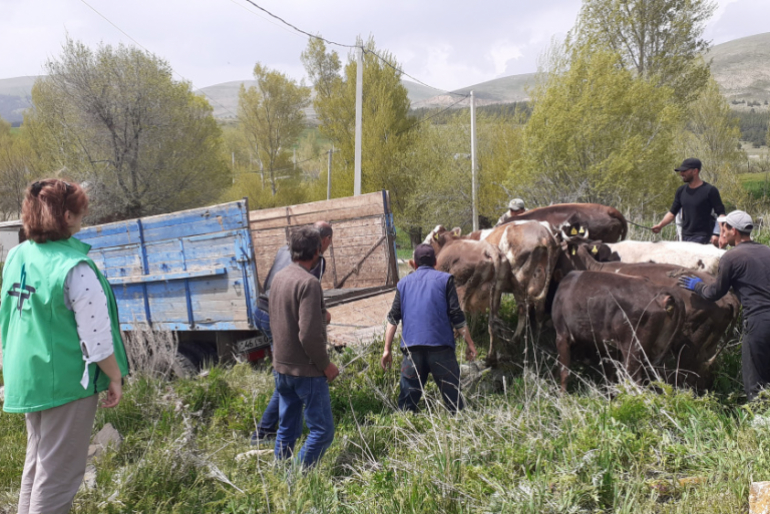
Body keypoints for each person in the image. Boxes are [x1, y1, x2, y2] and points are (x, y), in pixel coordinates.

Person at [1, 179, 129, 514]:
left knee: (39, 461)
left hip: (27, 375)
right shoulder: (76, 268)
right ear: (68, 216)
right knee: (59, 477)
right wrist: (114, 377)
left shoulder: (17, 256)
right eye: (81, 213)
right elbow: (97, 341)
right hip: (66, 381)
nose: (83, 220)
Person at [251, 221, 333, 444]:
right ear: (322, 242)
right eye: (327, 243)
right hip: (276, 312)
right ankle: (263, 432)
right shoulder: (315, 262)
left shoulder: (285, 250)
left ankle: (273, 434)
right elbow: (306, 298)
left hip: (261, 308)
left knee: (285, 371)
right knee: (290, 369)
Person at [678, 210, 770, 400]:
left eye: (724, 228)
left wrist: (698, 286)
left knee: (755, 380)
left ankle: (760, 423)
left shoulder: (731, 257)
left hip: (759, 321)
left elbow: (715, 293)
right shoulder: (767, 250)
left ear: (733, 231)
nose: (722, 232)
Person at [269, 225, 339, 467]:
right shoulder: (309, 283)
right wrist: (326, 365)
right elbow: (308, 335)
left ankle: (280, 477)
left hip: (281, 369)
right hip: (306, 372)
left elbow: (280, 319)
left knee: (287, 429)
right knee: (322, 432)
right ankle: (295, 479)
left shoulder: (279, 278)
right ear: (317, 251)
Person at [380, 244, 477, 414]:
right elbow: (456, 316)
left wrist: (386, 349)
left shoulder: (403, 284)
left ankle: (402, 434)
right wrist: (470, 343)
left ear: (415, 264)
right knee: (454, 403)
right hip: (441, 348)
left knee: (406, 406)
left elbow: (393, 318)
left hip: (412, 351)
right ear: (435, 262)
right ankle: (458, 432)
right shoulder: (445, 280)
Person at [652, 158, 725, 244]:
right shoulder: (681, 191)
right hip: (685, 237)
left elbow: (721, 214)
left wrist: (718, 234)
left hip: (704, 237)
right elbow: (672, 213)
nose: (681, 174)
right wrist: (660, 225)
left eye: (684, 171)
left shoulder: (710, 190)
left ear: (695, 171)